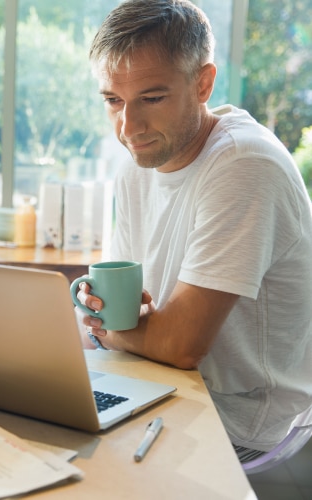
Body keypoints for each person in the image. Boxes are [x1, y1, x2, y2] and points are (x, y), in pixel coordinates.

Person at [74, 0, 312, 460]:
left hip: (243, 423)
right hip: (159, 388)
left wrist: (106, 329)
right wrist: (103, 319)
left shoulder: (245, 165)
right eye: (113, 100)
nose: (129, 127)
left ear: (202, 83)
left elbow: (181, 346)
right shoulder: (138, 167)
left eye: (152, 97)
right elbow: (126, 317)